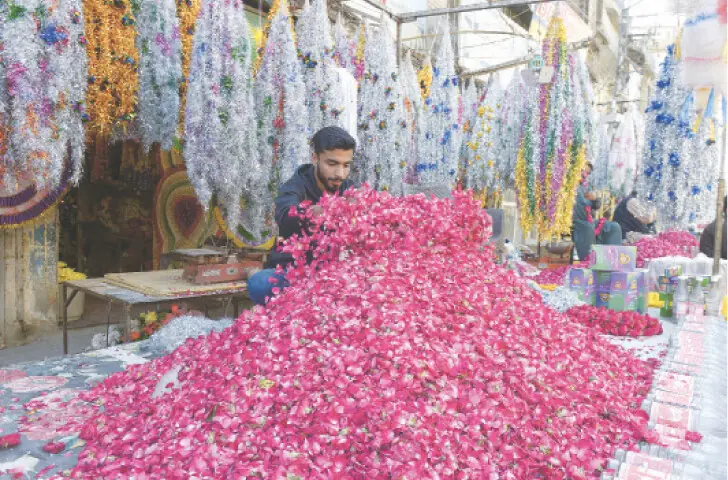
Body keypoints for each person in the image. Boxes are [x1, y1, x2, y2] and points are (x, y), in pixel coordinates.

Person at [247, 126, 357, 305]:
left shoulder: (348, 188)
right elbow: (284, 214)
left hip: (335, 275)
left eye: (346, 165)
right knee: (260, 283)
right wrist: (315, 212)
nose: (340, 174)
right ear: (315, 158)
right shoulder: (295, 186)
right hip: (295, 273)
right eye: (332, 164)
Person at [572, 162, 622, 261]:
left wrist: (595, 199)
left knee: (614, 227)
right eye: (583, 171)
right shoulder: (569, 184)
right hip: (576, 222)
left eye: (588, 173)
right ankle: (590, 262)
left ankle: (610, 261)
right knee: (588, 228)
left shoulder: (587, 186)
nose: (585, 174)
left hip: (590, 221)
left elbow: (597, 206)